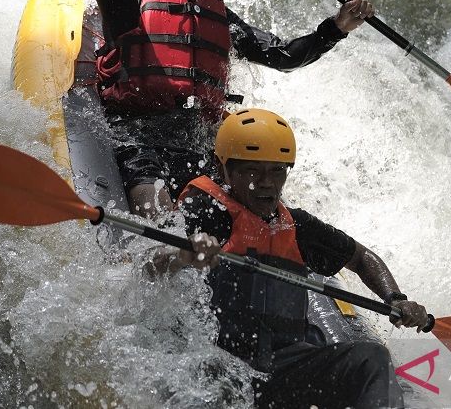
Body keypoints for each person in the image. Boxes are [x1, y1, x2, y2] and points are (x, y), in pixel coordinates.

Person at [70, 0, 375, 220]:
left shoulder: (213, 10)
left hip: (199, 143)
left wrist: (336, 28)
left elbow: (283, 57)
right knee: (150, 195)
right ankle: (163, 250)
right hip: (138, 136)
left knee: (241, 210)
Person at [145, 108, 428, 409]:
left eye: (277, 170)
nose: (267, 182)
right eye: (253, 170)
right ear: (223, 168)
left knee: (372, 358)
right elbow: (150, 265)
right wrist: (184, 254)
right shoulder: (206, 209)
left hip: (286, 367)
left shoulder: (297, 226)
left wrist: (395, 298)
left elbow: (361, 258)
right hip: (220, 364)